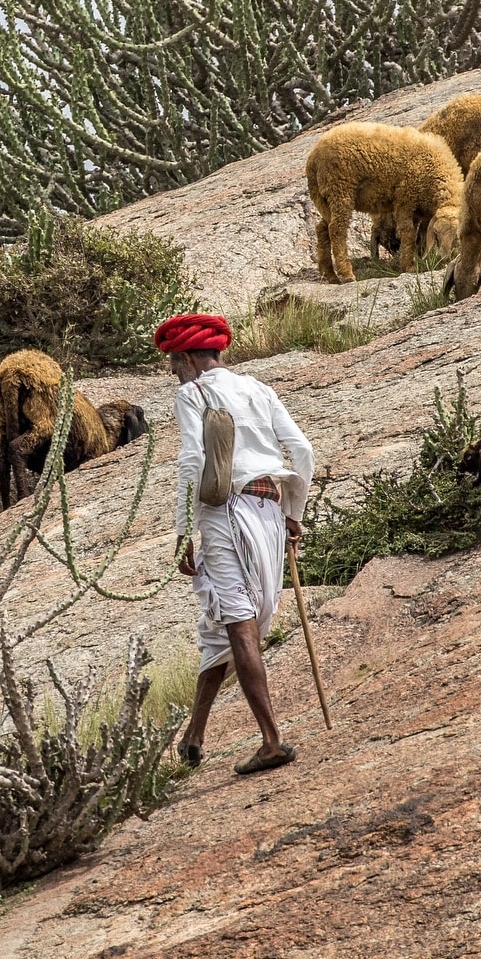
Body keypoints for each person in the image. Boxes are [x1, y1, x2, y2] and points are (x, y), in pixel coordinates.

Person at [154, 312, 315, 776]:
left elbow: (192, 459)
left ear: (187, 358)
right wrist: (293, 515)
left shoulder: (192, 394)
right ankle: (194, 736)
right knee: (228, 622)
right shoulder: (258, 388)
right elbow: (302, 451)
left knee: (239, 622)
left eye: (172, 362)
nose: (172, 372)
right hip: (270, 508)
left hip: (226, 513)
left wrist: (183, 528)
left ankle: (271, 742)